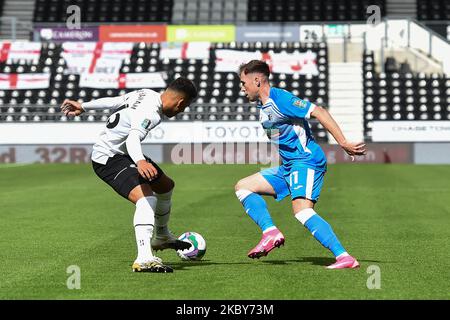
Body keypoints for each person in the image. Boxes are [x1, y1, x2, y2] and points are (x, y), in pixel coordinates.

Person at [234, 60, 366, 269]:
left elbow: (319, 112)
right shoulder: (263, 106)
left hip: (306, 161)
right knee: (243, 187)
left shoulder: (280, 98)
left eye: (243, 83)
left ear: (257, 80)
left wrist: (343, 143)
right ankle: (270, 232)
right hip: (289, 166)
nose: (242, 88)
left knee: (302, 211)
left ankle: (344, 257)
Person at [61, 77, 198, 273]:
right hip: (108, 158)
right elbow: (134, 137)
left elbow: (116, 100)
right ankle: (144, 258)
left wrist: (84, 105)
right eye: (183, 108)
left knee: (165, 186)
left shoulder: (147, 93)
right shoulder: (151, 114)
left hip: (124, 154)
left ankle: (162, 235)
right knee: (146, 199)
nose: (181, 112)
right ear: (180, 103)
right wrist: (141, 161)